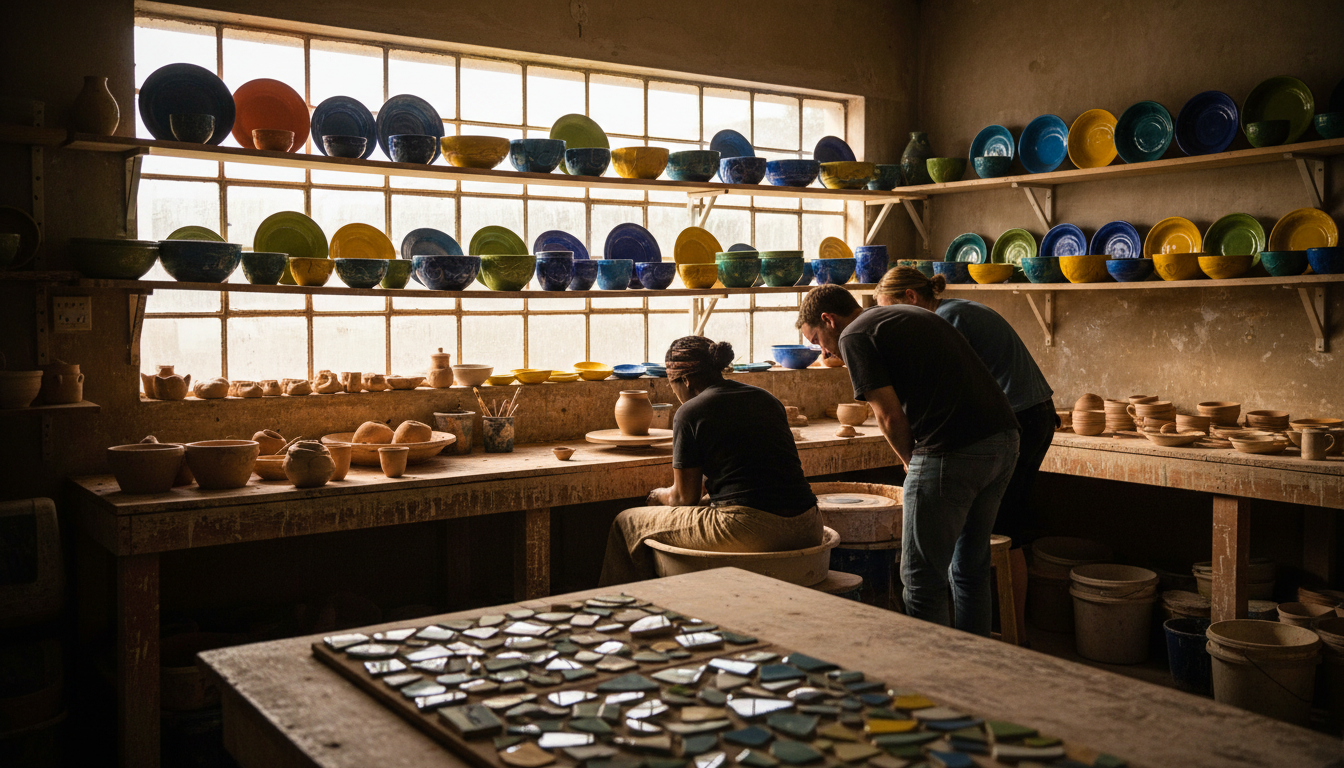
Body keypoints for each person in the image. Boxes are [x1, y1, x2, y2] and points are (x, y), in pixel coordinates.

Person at [796, 284, 1019, 635]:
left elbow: (888, 416)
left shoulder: (854, 335)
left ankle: (930, 667)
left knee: (920, 580)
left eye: (816, 340)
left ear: (829, 319)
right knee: (969, 569)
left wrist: (910, 461)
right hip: (1003, 439)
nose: (822, 350)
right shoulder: (903, 314)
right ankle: (974, 661)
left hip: (952, 449)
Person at [876, 266, 1056, 639]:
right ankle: (1005, 635)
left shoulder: (945, 319)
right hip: (1031, 415)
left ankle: (1012, 637)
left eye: (891, 311)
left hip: (1018, 419)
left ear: (911, 298)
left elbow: (945, 388)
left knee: (1001, 533)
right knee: (997, 532)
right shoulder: (955, 309)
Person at [598, 336, 821, 586]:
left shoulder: (690, 412)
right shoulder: (766, 398)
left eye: (672, 384)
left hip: (753, 531)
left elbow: (683, 498)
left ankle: (619, 605)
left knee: (626, 522)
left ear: (685, 380)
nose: (675, 393)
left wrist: (658, 495)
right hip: (809, 525)